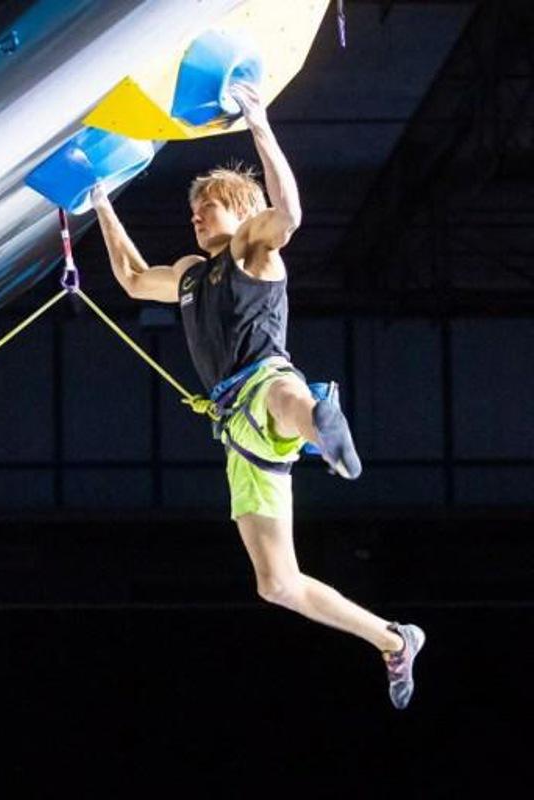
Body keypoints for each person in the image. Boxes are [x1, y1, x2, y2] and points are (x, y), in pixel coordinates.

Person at [89, 82, 424, 709]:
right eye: (194, 209)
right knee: (276, 584)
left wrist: (259, 124)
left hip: (266, 380)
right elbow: (132, 279)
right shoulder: (189, 274)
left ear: (242, 211)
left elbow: (289, 214)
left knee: (284, 400)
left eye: (209, 206)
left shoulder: (252, 251)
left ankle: (325, 429)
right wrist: (100, 200)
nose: (196, 215)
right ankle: (393, 639)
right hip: (234, 431)